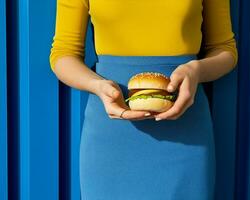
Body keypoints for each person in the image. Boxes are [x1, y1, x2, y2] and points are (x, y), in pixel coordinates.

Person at [49, 0, 238, 199]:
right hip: (112, 134)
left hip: (185, 132)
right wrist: (97, 85)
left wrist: (196, 71)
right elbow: (63, 53)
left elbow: (225, 49)